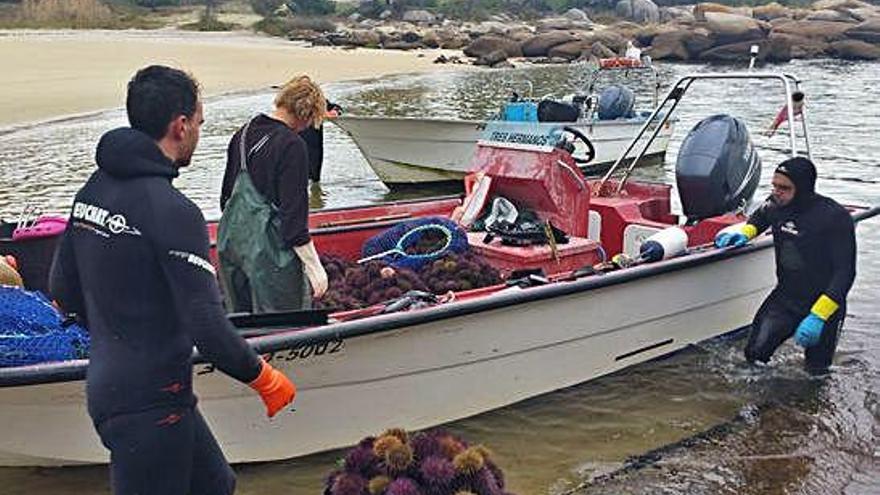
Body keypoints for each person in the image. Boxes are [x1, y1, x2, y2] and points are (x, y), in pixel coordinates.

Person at [49, 65, 296, 495]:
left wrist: (120, 333)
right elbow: (207, 324)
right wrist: (263, 377)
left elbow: (62, 288)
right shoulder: (174, 211)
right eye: (199, 123)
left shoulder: (92, 191)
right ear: (180, 126)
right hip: (149, 400)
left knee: (216, 485)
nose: (199, 133)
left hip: (117, 385)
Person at [715, 156, 856, 373]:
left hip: (824, 304)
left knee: (816, 372)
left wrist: (819, 315)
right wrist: (744, 234)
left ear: (803, 188)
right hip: (785, 298)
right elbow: (759, 218)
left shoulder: (833, 217)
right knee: (754, 356)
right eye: (774, 186)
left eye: (784, 188)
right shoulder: (775, 205)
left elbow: (845, 273)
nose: (776, 192)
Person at [219, 75, 328, 313]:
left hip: (232, 249)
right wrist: (315, 268)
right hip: (271, 258)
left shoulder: (241, 134)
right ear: (307, 114)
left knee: (242, 322)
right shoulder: (292, 145)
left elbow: (225, 200)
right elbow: (294, 222)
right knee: (282, 325)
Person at [299, 100, 343, 183]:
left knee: (315, 179)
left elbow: (337, 108)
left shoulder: (317, 99)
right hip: (296, 144)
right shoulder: (291, 99)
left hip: (315, 147)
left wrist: (334, 112)